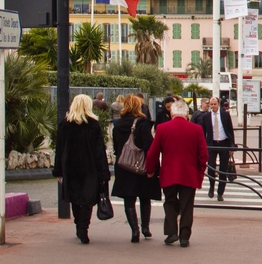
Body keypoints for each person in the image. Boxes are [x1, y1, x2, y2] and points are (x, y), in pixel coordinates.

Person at [145, 99, 208, 247]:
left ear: (171, 112)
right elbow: (203, 154)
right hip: (189, 173)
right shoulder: (196, 129)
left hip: (169, 172)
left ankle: (171, 232)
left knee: (170, 202)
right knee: (187, 205)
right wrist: (200, 171)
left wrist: (150, 170)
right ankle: (185, 236)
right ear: (187, 113)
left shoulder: (162, 128)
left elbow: (152, 153)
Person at [53, 94, 110, 244]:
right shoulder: (93, 125)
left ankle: (79, 224)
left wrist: (58, 171)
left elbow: (59, 149)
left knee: (75, 198)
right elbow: (99, 151)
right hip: (89, 169)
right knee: (88, 199)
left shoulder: (65, 125)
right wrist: (103, 172)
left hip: (70, 168)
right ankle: (83, 228)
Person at [112, 95, 161, 242]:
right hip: (141, 165)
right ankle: (145, 227)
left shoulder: (118, 124)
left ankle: (134, 230)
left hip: (124, 165)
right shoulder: (143, 124)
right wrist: (153, 167)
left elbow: (116, 146)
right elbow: (149, 147)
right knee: (144, 197)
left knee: (129, 199)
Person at [202, 97, 235, 201]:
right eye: (211, 104)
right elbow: (203, 132)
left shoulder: (225, 115)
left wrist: (232, 147)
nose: (213, 106)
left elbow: (230, 130)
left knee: (223, 169)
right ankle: (212, 185)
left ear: (218, 104)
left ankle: (220, 192)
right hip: (212, 144)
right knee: (211, 167)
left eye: (215, 104)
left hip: (224, 143)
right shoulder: (206, 116)